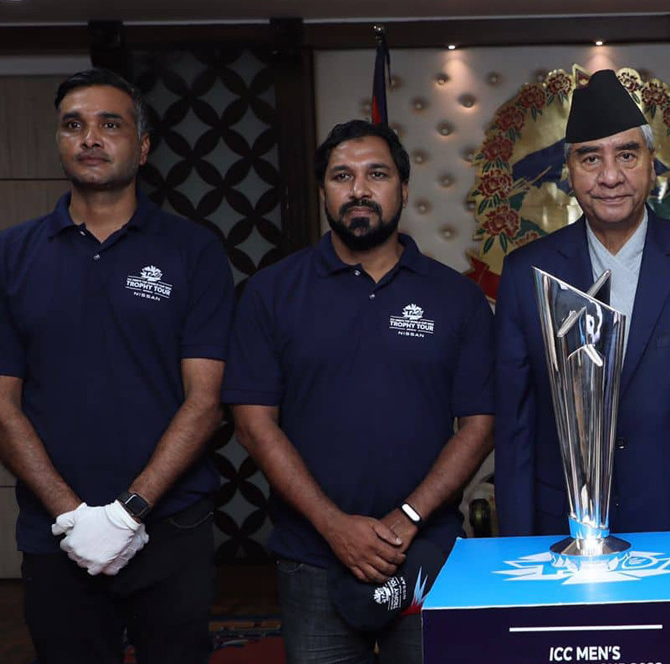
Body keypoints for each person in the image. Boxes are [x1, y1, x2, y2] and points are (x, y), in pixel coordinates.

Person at [222, 119, 494, 664]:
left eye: (377, 174)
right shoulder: (271, 293)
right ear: (323, 191)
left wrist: (407, 519)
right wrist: (332, 525)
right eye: (342, 176)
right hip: (313, 556)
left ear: (403, 189)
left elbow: (480, 424)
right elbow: (253, 423)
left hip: (426, 553)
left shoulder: (456, 298)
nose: (360, 189)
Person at [0, 68, 234, 664]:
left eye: (111, 124)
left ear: (144, 145)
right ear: (59, 141)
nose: (90, 138)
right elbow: (2, 404)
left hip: (170, 528)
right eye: (73, 126)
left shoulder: (194, 251)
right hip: (55, 534)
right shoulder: (11, 255)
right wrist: (74, 516)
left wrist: (129, 512)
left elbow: (205, 400)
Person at [492, 69, 670, 556]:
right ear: (568, 173)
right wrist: (516, 543)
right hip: (558, 532)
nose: (610, 176)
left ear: (652, 165)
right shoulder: (525, 272)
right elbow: (515, 425)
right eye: (590, 158)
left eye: (627, 155)